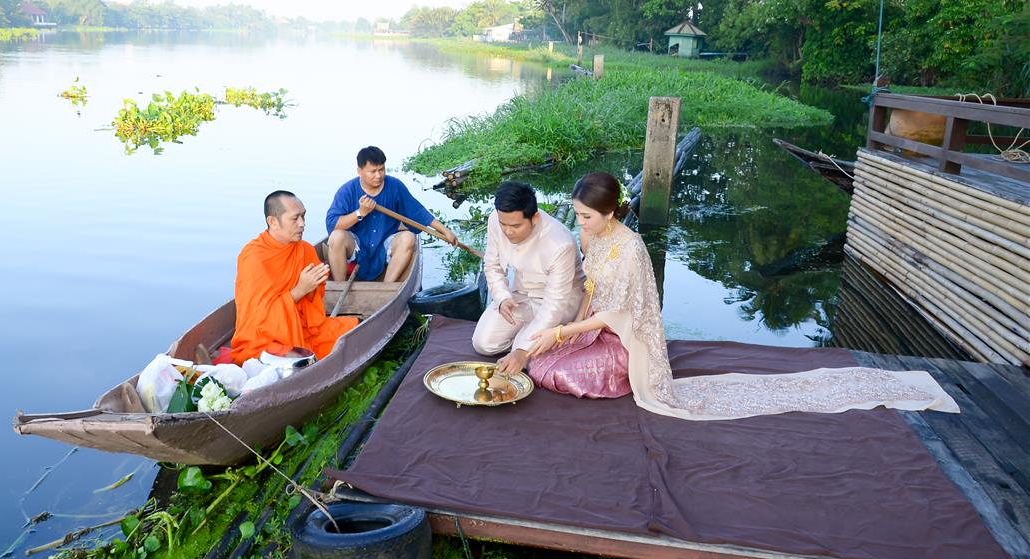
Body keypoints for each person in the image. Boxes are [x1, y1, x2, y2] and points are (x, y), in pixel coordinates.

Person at [497, 172, 959, 419]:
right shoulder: (595, 240)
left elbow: (618, 314)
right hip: (592, 325)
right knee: (542, 362)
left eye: (585, 218)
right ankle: (569, 350)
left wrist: (561, 330)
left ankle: (618, 379)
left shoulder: (631, 247)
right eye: (576, 216)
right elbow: (590, 294)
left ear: (610, 212)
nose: (580, 225)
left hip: (623, 339)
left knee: (552, 371)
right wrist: (564, 335)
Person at [231, 191, 358, 364]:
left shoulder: (305, 249)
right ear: (273, 222)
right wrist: (299, 290)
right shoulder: (254, 258)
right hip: (264, 340)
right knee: (297, 359)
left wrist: (314, 287)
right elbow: (258, 320)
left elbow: (314, 306)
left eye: (304, 216)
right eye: (295, 218)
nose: (302, 224)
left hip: (304, 330)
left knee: (355, 327)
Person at [472, 181, 585, 363]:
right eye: (504, 225)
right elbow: (492, 265)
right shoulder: (496, 219)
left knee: (521, 350)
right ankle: (528, 339)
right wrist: (502, 297)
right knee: (483, 344)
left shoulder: (560, 244)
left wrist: (522, 351)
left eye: (516, 226)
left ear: (535, 218)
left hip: (559, 304)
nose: (508, 232)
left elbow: (555, 304)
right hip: (521, 295)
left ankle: (530, 342)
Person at [326, 146, 458, 282]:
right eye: (373, 171)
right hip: (357, 249)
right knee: (337, 237)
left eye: (381, 169)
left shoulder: (394, 186)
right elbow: (333, 225)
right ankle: (338, 287)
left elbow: (418, 212)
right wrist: (360, 213)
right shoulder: (347, 191)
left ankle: (387, 288)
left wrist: (445, 231)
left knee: (408, 237)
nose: (378, 175)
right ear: (359, 171)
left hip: (385, 247)